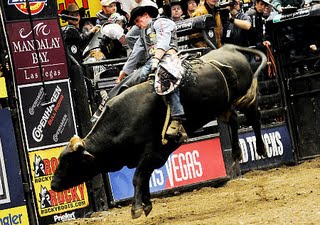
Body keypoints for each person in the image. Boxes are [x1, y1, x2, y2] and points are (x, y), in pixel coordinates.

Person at [97, 6, 187, 139]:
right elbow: (135, 55)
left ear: (146, 15)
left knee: (165, 73)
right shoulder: (143, 34)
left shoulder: (161, 22)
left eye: (138, 21)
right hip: (153, 62)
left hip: (169, 58)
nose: (138, 25)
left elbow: (164, 41)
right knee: (135, 77)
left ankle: (177, 117)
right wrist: (123, 74)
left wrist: (156, 59)